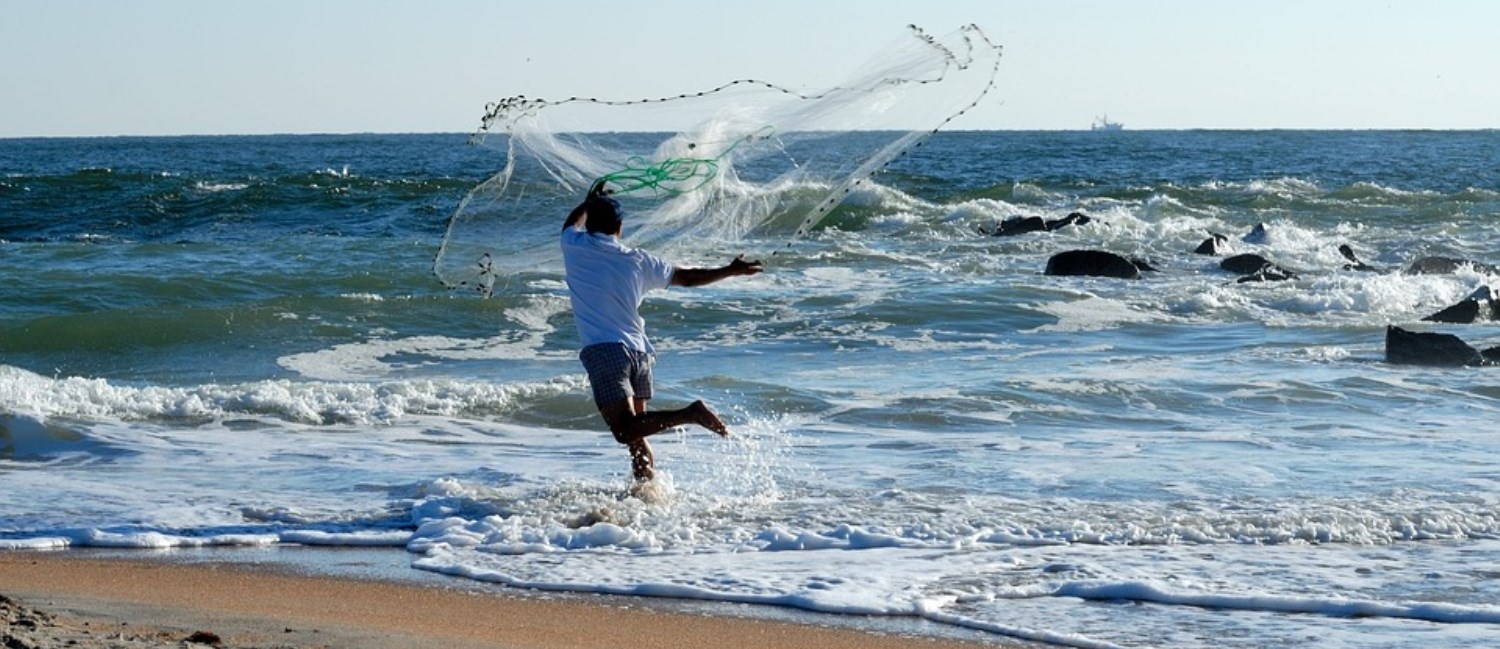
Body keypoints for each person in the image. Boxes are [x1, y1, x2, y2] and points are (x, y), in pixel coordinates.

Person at [560, 184, 764, 483]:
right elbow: (689, 278)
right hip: (640, 353)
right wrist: (729, 270)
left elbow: (570, 223)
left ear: (589, 222)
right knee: (637, 435)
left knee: (624, 430)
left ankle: (691, 414)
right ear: (620, 227)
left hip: (606, 351)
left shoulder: (573, 245)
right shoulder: (638, 260)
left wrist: (589, 201)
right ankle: (645, 496)